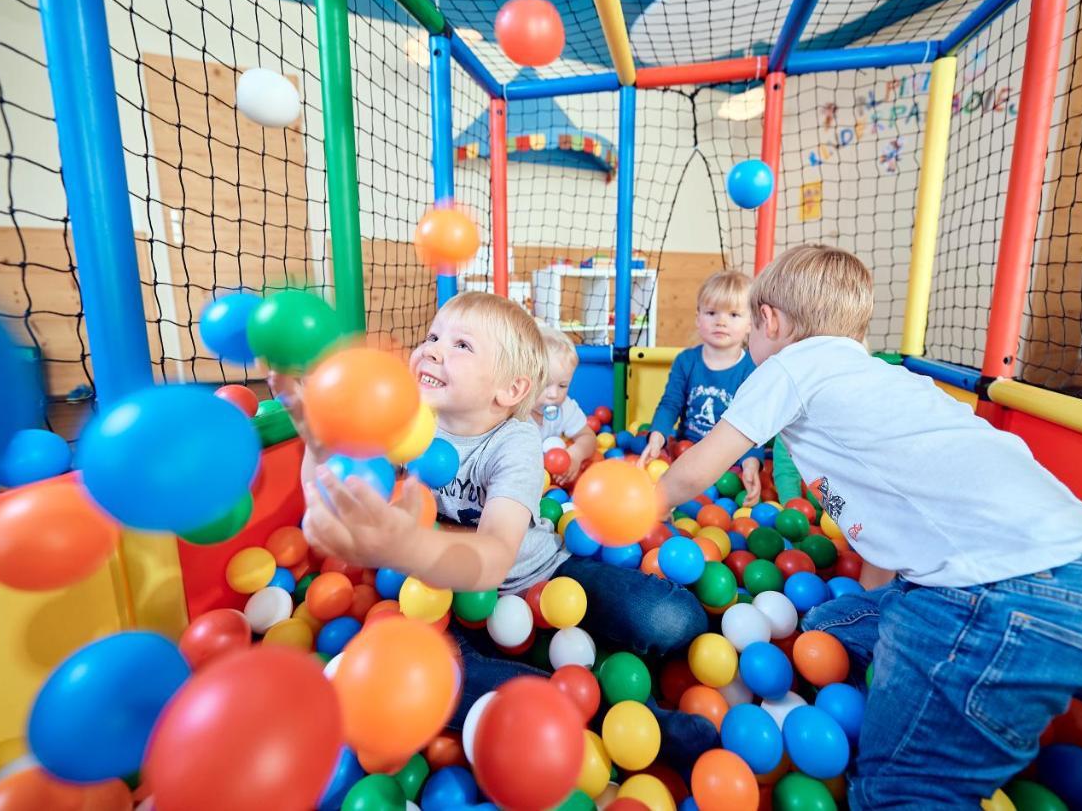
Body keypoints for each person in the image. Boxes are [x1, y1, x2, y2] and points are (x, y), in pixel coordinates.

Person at [656, 245, 1082, 807]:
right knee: (827, 626)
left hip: (1002, 599)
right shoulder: (891, 381)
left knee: (893, 791)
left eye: (749, 337)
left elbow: (695, 471)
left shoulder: (793, 364)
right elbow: (886, 529)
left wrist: (643, 510)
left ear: (768, 321)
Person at [281, 292, 716, 768]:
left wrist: (404, 546)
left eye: (461, 345)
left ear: (509, 390)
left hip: (543, 573)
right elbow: (326, 494)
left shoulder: (515, 442)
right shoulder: (402, 425)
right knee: (433, 678)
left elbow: (495, 557)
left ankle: (579, 691)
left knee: (675, 621)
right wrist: (320, 441)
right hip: (445, 600)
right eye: (431, 337)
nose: (432, 349)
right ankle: (609, 718)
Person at [637, 270, 763, 497]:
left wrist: (751, 463)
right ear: (698, 318)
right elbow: (670, 404)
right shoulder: (686, 361)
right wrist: (657, 436)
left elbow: (753, 423)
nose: (721, 321)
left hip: (728, 460)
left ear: (750, 324)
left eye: (734, 315)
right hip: (686, 453)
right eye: (712, 312)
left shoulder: (751, 370)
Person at [532, 324, 597, 486]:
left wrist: (575, 454)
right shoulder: (514, 411)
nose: (554, 394)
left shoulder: (565, 408)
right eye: (545, 384)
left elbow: (588, 437)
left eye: (562, 386)